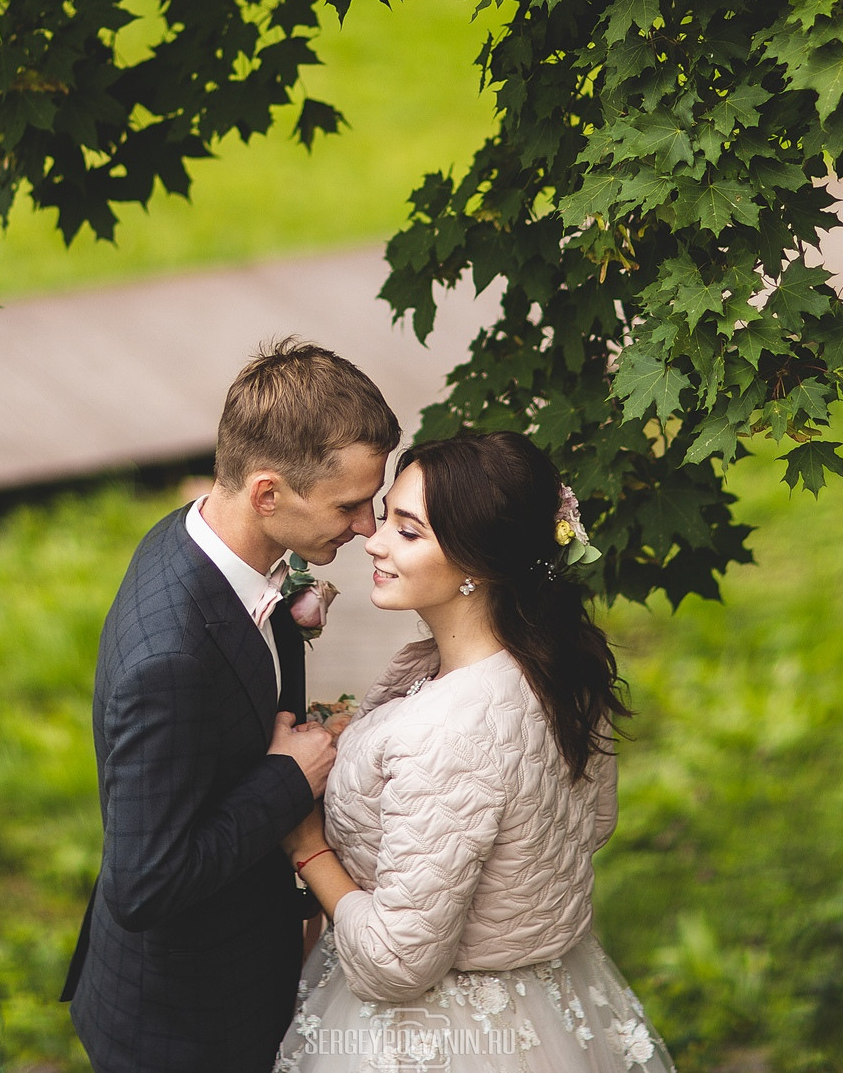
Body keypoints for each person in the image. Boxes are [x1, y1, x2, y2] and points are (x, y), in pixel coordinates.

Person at [273, 431, 676, 1072]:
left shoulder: (448, 730)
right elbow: (591, 825)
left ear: (480, 564)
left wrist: (308, 843)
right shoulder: (559, 665)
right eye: (387, 520)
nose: (374, 542)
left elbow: (397, 963)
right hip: (546, 994)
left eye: (408, 532)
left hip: (444, 1036)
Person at [65, 338, 402, 1073]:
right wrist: (289, 778)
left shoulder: (205, 539)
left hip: (243, 970)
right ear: (268, 493)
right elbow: (144, 883)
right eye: (350, 504)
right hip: (185, 1028)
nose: (369, 526)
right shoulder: (171, 659)